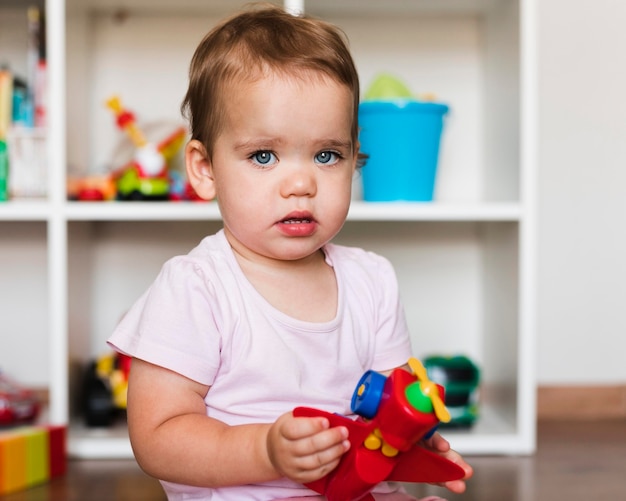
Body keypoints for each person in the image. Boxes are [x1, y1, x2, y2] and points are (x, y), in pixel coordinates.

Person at [108, 4, 473, 501]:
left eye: (327, 155)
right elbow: (157, 439)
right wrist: (265, 450)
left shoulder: (373, 280)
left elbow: (392, 406)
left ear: (354, 155)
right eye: (264, 156)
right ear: (204, 169)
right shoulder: (196, 287)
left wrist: (416, 439)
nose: (301, 183)